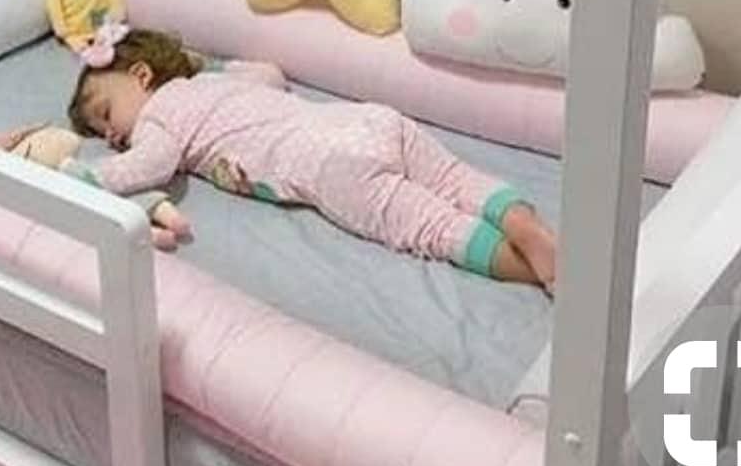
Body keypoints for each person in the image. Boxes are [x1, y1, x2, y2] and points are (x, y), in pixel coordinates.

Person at [64, 25, 558, 288]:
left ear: (142, 76)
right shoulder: (213, 83)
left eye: (106, 114)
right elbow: (269, 74)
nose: (112, 135)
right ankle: (526, 226)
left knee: (432, 228)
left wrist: (82, 176)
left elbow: (149, 165)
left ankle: (542, 272)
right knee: (454, 177)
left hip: (329, 166)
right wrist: (210, 65)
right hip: (364, 119)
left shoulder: (157, 119)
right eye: (101, 134)